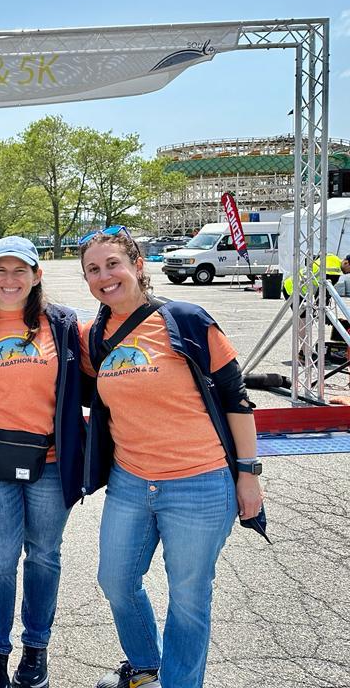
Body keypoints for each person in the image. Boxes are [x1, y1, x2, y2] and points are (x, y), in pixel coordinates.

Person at [78, 226, 264, 688]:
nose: (105, 276)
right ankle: (144, 666)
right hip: (131, 482)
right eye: (93, 270)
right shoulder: (92, 336)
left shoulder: (187, 319)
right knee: (116, 581)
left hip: (200, 483)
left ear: (138, 266)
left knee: (188, 597)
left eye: (113, 264)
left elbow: (236, 401)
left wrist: (248, 474)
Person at [0, 237, 86, 688]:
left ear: (37, 275)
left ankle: (36, 648)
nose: (9, 280)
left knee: (45, 555)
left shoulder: (64, 324)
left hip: (50, 462)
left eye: (20, 271)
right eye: (0, 271)